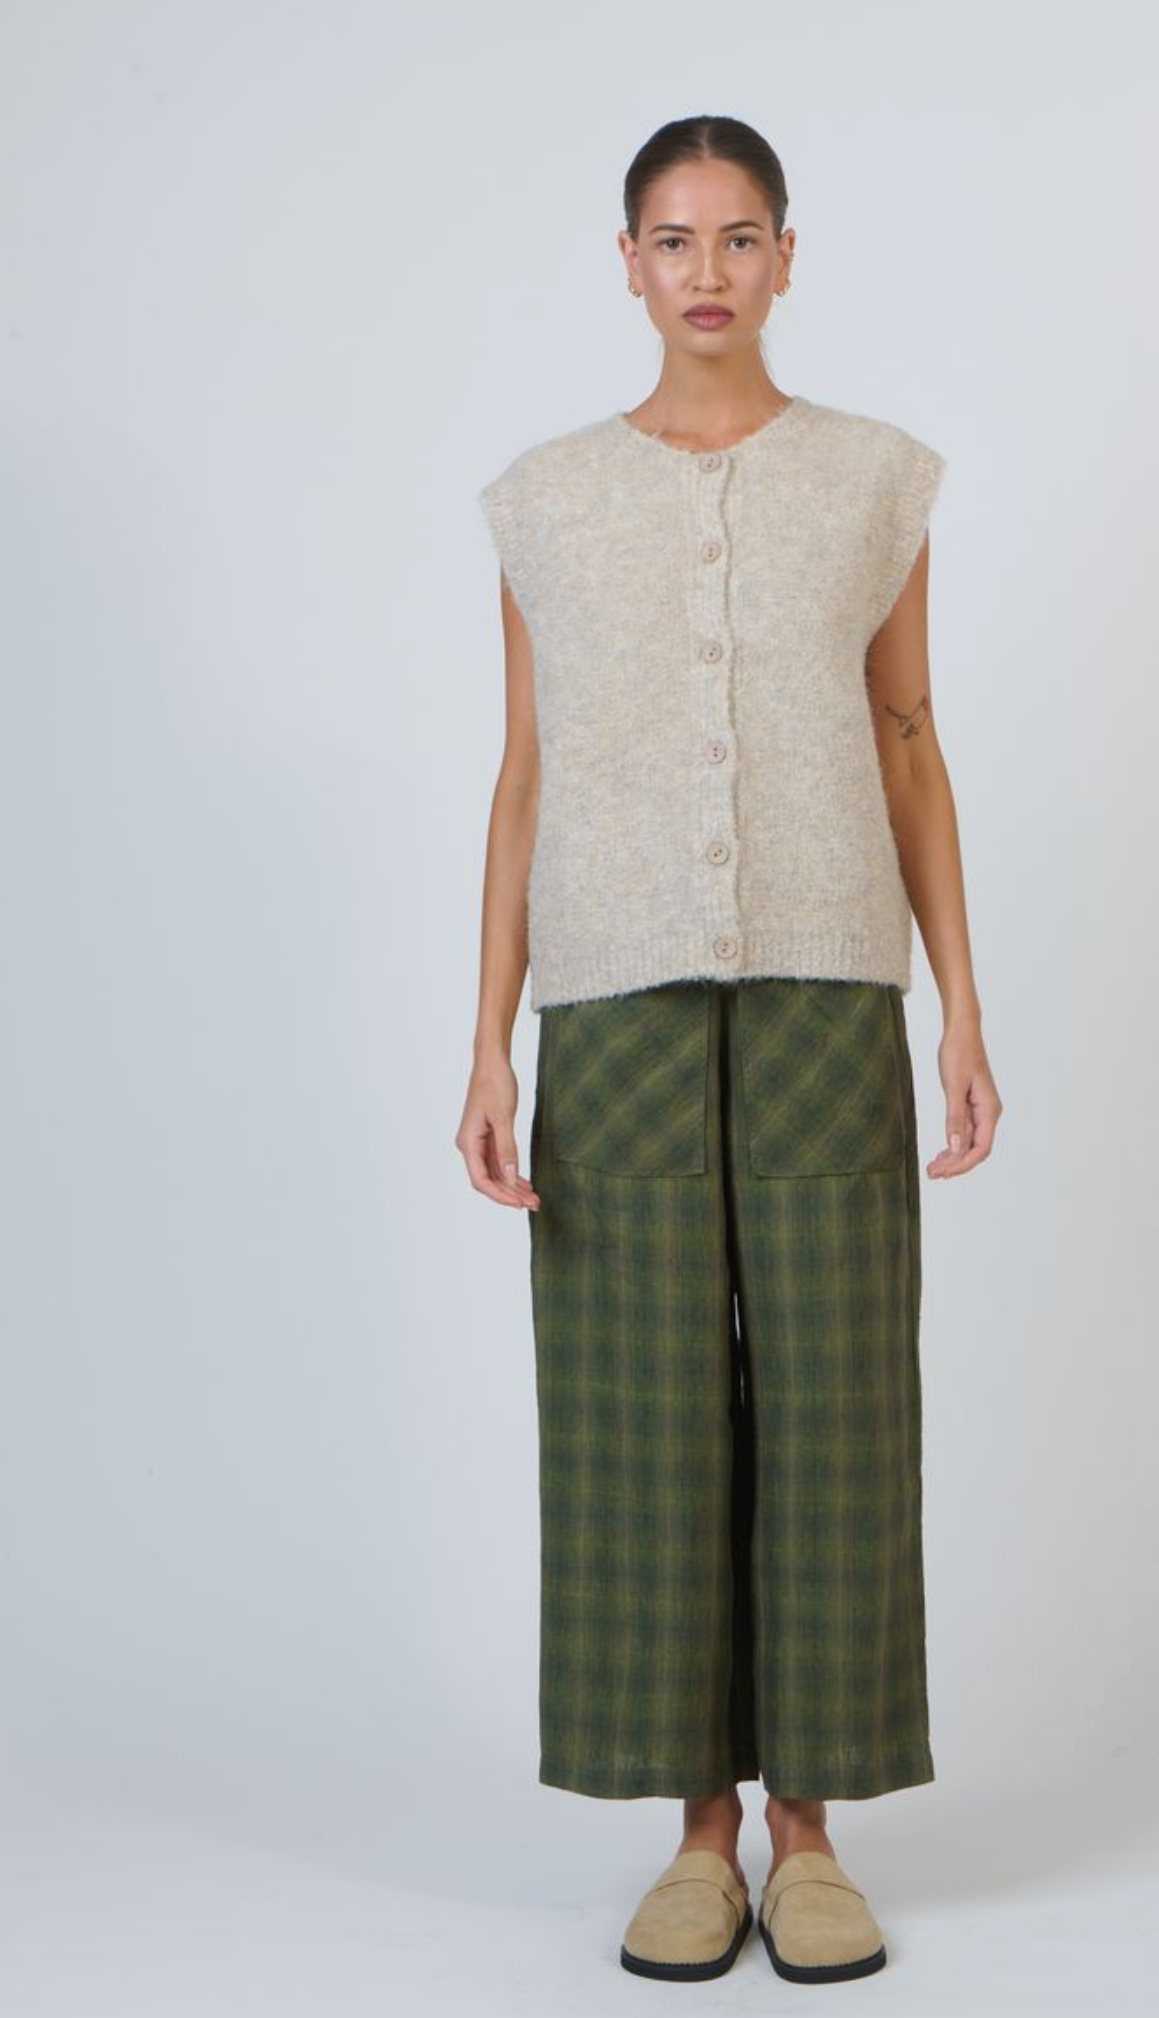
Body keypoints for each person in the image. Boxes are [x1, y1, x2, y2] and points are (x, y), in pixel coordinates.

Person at [456, 113, 1002, 1985]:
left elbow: (909, 739)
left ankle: (812, 1833)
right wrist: (483, 1043)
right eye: (673, 239)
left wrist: (961, 1005)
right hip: (606, 1002)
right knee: (643, 1407)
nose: (706, 270)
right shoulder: (541, 500)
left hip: (827, 986)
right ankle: (697, 1833)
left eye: (739, 235)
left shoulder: (874, 480)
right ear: (626, 263)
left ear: (786, 256)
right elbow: (522, 776)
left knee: (837, 1401)